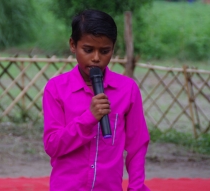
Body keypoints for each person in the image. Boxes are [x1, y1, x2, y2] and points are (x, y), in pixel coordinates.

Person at [42, 9, 150, 191]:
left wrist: (136, 187)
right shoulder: (56, 89)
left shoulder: (127, 89)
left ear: (113, 48)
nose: (96, 58)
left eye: (105, 51)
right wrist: (88, 119)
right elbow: (53, 145)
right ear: (73, 45)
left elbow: (137, 145)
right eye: (88, 50)